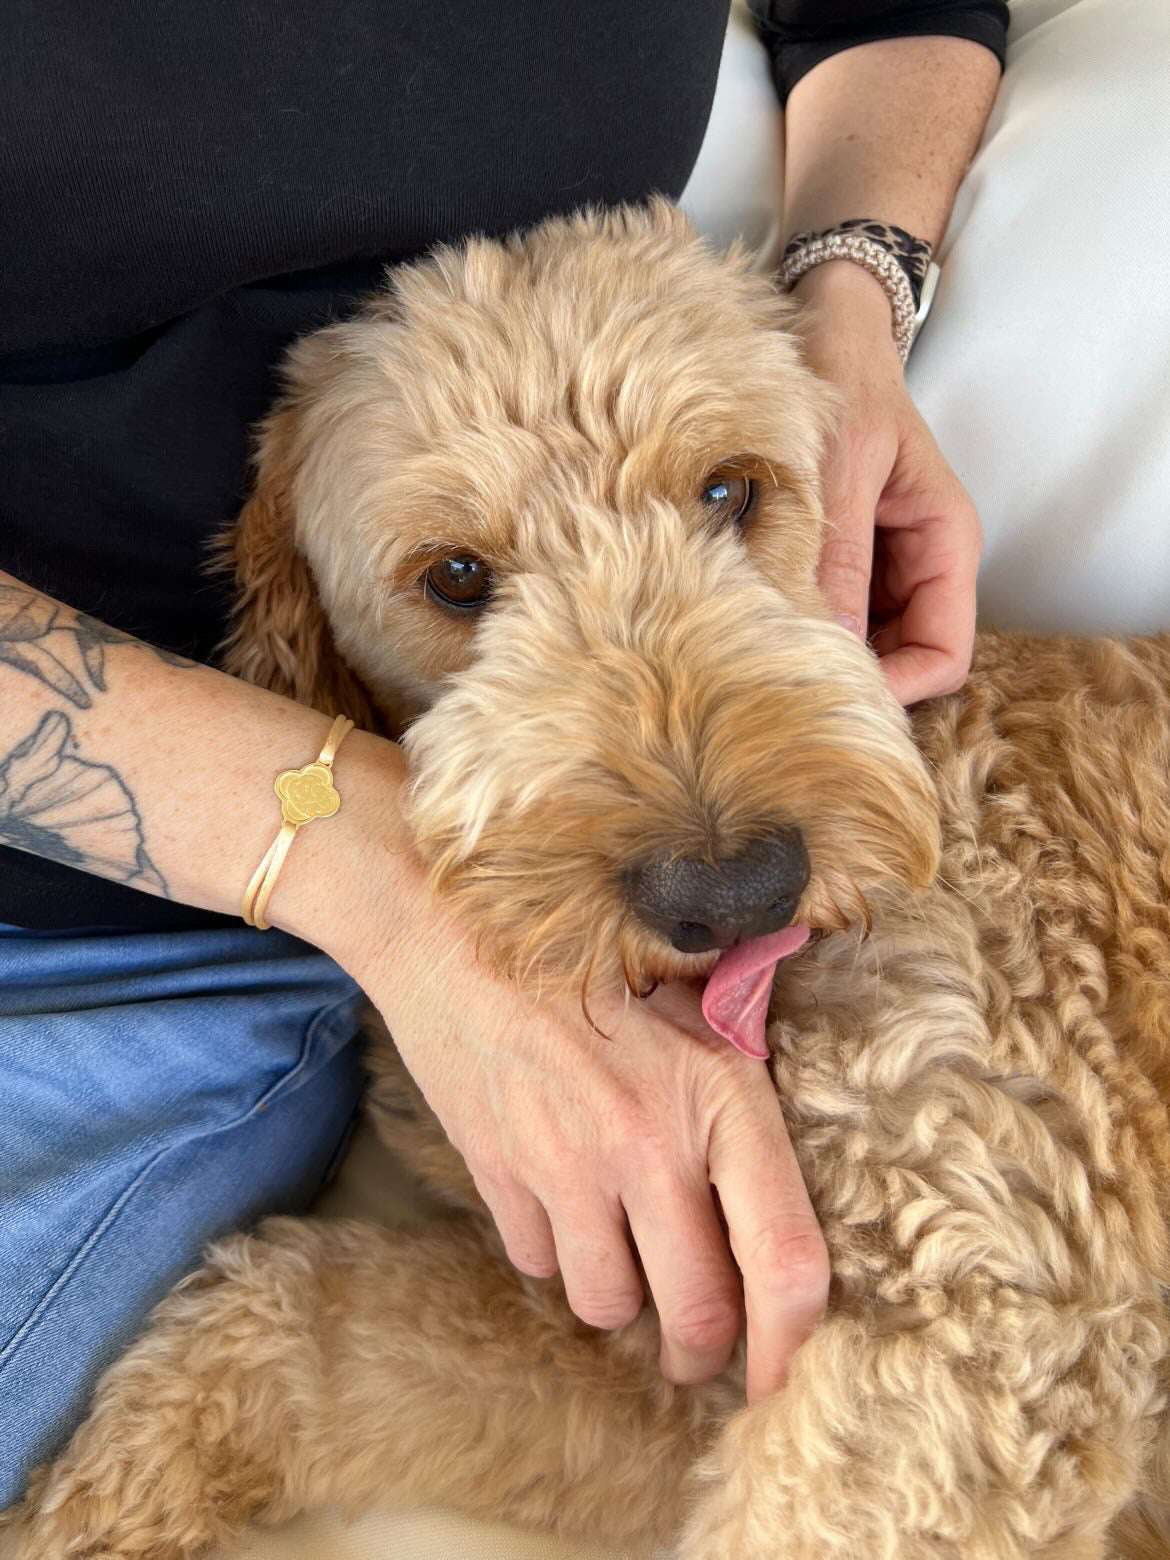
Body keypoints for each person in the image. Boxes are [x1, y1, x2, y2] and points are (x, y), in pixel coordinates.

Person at [0, 0, 1010, 1505]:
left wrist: (846, 313)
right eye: (461, 584)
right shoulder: (306, 636)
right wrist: (352, 863)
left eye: (726, 497)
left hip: (186, 934)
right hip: (193, 862)